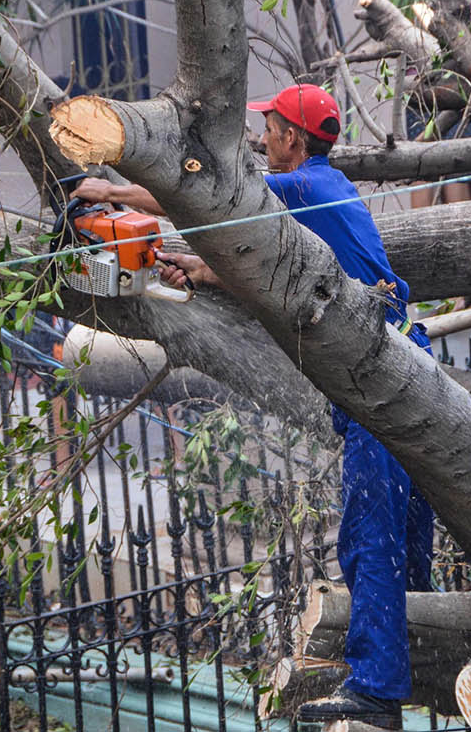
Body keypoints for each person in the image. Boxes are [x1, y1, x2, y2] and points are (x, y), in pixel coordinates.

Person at [71, 84, 433, 730]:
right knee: (406, 539)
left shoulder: (298, 187)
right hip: (403, 358)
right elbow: (279, 267)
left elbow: (204, 199)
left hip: (379, 376)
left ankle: (378, 692)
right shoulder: (324, 186)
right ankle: (428, 671)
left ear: (293, 136)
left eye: (268, 126)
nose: (261, 137)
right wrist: (199, 269)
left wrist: (113, 193)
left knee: (368, 540)